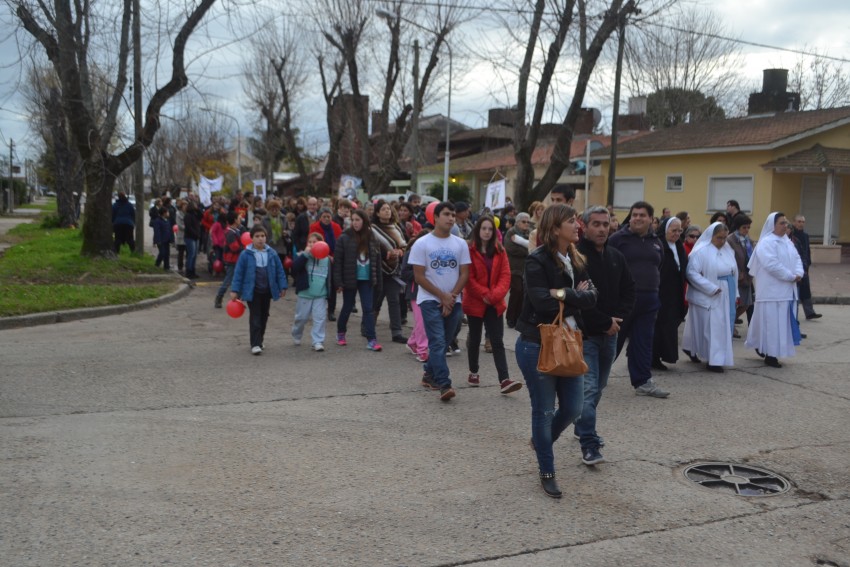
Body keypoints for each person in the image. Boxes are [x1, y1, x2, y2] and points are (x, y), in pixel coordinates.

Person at [514, 204, 597, 497]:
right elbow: (541, 302)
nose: (578, 225)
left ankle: (542, 441)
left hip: (570, 341)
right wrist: (576, 296)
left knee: (574, 407)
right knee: (544, 410)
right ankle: (547, 471)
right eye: (571, 221)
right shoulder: (537, 261)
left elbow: (593, 296)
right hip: (537, 343)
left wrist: (562, 294)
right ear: (554, 228)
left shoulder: (577, 257)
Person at [575, 206, 634, 466]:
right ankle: (589, 443)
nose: (601, 229)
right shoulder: (575, 258)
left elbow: (629, 291)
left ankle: (580, 423)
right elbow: (579, 300)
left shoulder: (616, 257)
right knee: (588, 390)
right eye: (596, 224)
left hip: (611, 334)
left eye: (605, 224)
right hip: (586, 335)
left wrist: (616, 320)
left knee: (598, 388)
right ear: (584, 226)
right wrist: (604, 321)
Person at [408, 202, 471, 402]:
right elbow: (419, 277)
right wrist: (441, 296)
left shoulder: (460, 244)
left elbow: (464, 273)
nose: (451, 218)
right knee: (437, 341)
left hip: (454, 300)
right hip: (428, 299)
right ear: (435, 217)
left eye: (453, 214)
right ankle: (444, 384)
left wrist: (450, 297)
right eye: (446, 214)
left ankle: (429, 373)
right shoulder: (422, 243)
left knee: (444, 342)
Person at [608, 201, 668, 398]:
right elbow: (606, 266)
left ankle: (643, 382)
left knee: (643, 342)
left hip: (650, 300)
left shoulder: (656, 242)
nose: (637, 218)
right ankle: (593, 376)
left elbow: (658, 267)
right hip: (623, 300)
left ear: (651, 219)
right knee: (612, 342)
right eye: (634, 215)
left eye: (642, 215)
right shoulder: (618, 239)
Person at [462, 215, 522, 393]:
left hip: (494, 303)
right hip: (475, 302)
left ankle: (504, 379)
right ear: (478, 230)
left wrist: (494, 295)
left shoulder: (499, 250)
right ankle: (474, 371)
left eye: (490, 229)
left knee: (497, 341)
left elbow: (506, 275)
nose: (487, 232)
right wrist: (484, 294)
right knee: (474, 338)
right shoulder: (469, 250)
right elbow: (468, 278)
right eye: (484, 228)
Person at [745, 212, 804, 368]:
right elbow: (771, 265)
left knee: (781, 324)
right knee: (771, 325)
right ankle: (770, 355)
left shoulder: (787, 242)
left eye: (786, 223)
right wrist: (791, 276)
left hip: (786, 291)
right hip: (771, 292)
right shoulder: (766, 243)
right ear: (773, 225)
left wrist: (799, 273)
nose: (786, 226)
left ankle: (773, 351)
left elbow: (797, 259)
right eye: (782, 223)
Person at [681, 222, 738, 372]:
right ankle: (714, 360)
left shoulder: (727, 249)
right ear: (711, 236)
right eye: (719, 238)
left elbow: (733, 271)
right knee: (714, 327)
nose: (722, 241)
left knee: (722, 326)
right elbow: (691, 273)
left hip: (727, 291)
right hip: (711, 293)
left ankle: (712, 354)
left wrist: (735, 292)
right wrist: (710, 288)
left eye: (725, 238)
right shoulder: (700, 251)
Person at [231, 225, 288, 355]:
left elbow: (280, 270)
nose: (260, 239)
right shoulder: (246, 254)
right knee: (255, 317)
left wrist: (282, 286)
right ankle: (255, 344)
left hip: (267, 290)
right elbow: (238, 273)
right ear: (251, 238)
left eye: (262, 236)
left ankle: (260, 339)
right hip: (253, 291)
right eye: (257, 236)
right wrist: (235, 290)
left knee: (264, 316)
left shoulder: (272, 253)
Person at [333, 209, 384, 352]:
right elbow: (338, 262)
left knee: (368, 309)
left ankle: (372, 340)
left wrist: (378, 280)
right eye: (353, 220)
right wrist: (338, 282)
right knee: (347, 307)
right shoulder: (344, 238)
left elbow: (377, 261)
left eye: (358, 220)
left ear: (364, 221)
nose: (355, 223)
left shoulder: (372, 237)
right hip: (350, 278)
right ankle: (341, 333)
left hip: (366, 279)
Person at [651, 217, 688, 370]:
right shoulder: (657, 245)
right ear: (665, 230)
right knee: (657, 327)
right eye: (673, 230)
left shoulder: (679, 247)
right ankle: (652, 358)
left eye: (679, 230)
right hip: (660, 292)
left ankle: (662, 355)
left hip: (674, 293)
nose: (677, 234)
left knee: (669, 326)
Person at [369, 200, 408, 343]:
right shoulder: (371, 228)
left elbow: (404, 245)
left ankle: (397, 332)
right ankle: (367, 327)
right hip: (378, 270)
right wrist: (384, 254)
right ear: (377, 213)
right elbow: (370, 248)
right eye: (383, 209)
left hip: (394, 271)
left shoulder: (396, 227)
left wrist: (400, 251)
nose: (387, 211)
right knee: (375, 301)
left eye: (388, 209)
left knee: (394, 300)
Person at [291, 233, 330, 351]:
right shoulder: (303, 256)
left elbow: (331, 277)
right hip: (305, 294)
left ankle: (317, 341)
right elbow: (294, 268)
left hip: (320, 295)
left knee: (320, 318)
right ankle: (296, 334)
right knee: (301, 318)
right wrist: (305, 255)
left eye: (315, 242)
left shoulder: (327, 259)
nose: (312, 244)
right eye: (310, 242)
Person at [310, 207, 343, 321]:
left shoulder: (336, 227)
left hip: (334, 260)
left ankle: (331, 310)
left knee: (333, 285)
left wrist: (335, 256)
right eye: (324, 216)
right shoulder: (314, 227)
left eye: (328, 216)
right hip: (320, 259)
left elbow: (340, 243)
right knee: (321, 284)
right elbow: (313, 243)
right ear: (320, 217)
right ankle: (318, 308)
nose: (326, 219)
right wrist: (326, 255)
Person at [727, 214, 755, 337]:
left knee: (746, 303)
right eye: (744, 227)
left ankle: (730, 322)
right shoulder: (730, 240)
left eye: (748, 227)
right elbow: (729, 258)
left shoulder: (748, 240)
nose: (746, 230)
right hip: (737, 277)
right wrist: (737, 271)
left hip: (748, 277)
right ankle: (729, 325)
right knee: (735, 303)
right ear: (738, 227)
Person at [791, 215, 823, 320]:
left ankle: (809, 312)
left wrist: (808, 263)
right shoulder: (791, 234)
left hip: (804, 266)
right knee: (797, 290)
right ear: (794, 222)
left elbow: (807, 250)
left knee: (806, 289)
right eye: (799, 221)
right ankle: (794, 314)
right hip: (795, 266)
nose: (801, 224)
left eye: (803, 222)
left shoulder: (805, 235)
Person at [504, 212, 531, 328]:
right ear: (517, 222)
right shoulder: (511, 232)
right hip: (514, 268)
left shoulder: (529, 234)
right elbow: (511, 249)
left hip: (525, 269)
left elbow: (533, 247)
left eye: (527, 222)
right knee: (516, 292)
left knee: (522, 294)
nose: (526, 224)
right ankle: (510, 318)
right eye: (523, 222)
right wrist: (527, 249)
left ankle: (518, 317)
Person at [214, 211, 246, 308]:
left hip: (237, 260)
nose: (241, 220)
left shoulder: (236, 231)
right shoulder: (230, 233)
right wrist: (244, 246)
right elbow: (234, 248)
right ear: (235, 220)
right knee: (228, 280)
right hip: (232, 260)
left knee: (240, 279)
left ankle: (238, 300)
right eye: (239, 218)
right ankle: (219, 297)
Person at [183, 201, 202, 279]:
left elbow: (201, 216)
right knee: (191, 254)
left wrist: (198, 210)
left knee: (194, 255)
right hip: (190, 237)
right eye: (195, 205)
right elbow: (188, 227)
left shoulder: (195, 214)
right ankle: (188, 271)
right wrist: (195, 234)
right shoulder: (188, 216)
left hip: (196, 237)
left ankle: (193, 271)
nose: (196, 206)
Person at [152, 206, 173, 271]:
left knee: (167, 253)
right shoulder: (157, 221)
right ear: (164, 213)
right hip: (161, 240)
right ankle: (157, 264)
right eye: (167, 212)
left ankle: (166, 266)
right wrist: (157, 241)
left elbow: (170, 230)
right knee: (162, 253)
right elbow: (157, 232)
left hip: (167, 240)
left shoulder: (167, 220)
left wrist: (172, 239)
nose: (168, 213)